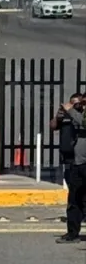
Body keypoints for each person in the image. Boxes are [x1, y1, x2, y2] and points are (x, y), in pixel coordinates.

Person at [56, 93, 86, 244]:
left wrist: (71, 110)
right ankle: (72, 233)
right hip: (78, 163)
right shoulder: (79, 113)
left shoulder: (80, 115)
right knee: (74, 199)